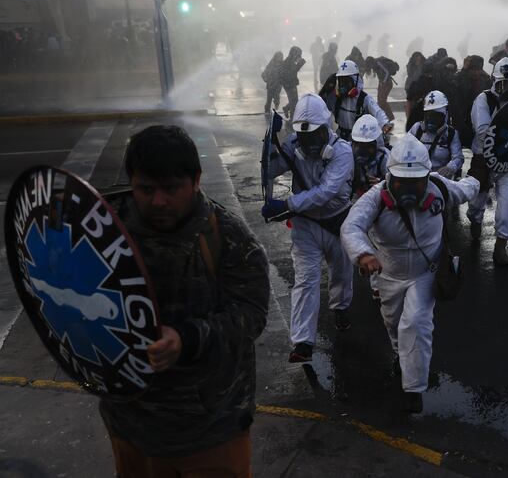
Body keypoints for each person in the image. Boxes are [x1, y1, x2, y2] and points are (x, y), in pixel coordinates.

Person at [101, 125, 269, 476]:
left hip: (210, 433)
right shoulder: (104, 228)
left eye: (171, 188)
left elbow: (251, 314)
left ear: (196, 180)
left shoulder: (229, 238)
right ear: (131, 180)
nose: (158, 201)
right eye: (146, 189)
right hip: (131, 426)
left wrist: (188, 339)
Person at [341, 134, 479, 413]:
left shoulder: (440, 188)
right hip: (389, 275)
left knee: (415, 323)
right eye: (401, 179)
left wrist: (479, 176)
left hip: (425, 273)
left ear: (426, 176)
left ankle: (414, 388)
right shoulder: (375, 198)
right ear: (390, 176)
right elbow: (351, 227)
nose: (407, 186)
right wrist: (363, 253)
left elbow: (465, 189)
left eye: (415, 179)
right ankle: (400, 355)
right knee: (393, 323)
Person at [262, 94, 354, 363]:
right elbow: (271, 169)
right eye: (305, 137)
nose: (310, 143)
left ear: (326, 128)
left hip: (338, 220)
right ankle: (302, 342)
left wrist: (287, 204)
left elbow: (326, 192)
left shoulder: (343, 151)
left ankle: (341, 308)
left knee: (341, 272)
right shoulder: (293, 144)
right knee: (305, 281)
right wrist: (271, 144)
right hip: (306, 225)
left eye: (315, 136)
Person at [466, 57, 508, 265]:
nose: (507, 88)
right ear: (495, 81)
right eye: (503, 83)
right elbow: (482, 131)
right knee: (477, 201)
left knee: (507, 204)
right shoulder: (483, 100)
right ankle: (475, 219)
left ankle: (500, 247)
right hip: (484, 159)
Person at [349, 114, 390, 304]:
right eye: (360, 145)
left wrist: (383, 181)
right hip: (357, 200)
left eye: (368, 146)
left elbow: (397, 181)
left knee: (379, 241)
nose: (363, 150)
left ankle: (376, 286)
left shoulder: (386, 158)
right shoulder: (348, 157)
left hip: (380, 202)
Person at [323, 59, 390, 143]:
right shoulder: (336, 98)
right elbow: (323, 110)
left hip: (359, 140)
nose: (343, 85)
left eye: (346, 81)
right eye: (341, 81)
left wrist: (385, 124)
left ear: (355, 81)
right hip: (341, 138)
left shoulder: (364, 98)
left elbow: (377, 111)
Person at [407, 90, 464, 180]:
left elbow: (458, 157)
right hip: (418, 177)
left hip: (441, 179)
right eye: (428, 115)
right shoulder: (417, 129)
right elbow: (404, 149)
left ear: (444, 115)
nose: (431, 119)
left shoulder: (451, 134)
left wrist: (450, 167)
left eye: (436, 116)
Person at [452, 54, 492, 149]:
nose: (475, 73)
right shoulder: (461, 78)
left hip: (479, 120)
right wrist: (464, 70)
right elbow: (456, 86)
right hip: (463, 121)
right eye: (472, 70)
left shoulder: (486, 81)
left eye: (478, 70)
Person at [364, 55, 400, 122]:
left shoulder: (378, 63)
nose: (370, 67)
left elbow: (386, 72)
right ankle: (385, 117)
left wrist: (383, 82)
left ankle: (390, 117)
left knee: (382, 101)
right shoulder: (375, 64)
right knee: (380, 101)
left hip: (386, 84)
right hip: (382, 83)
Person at [279, 46, 306, 120]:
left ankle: (286, 108)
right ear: (295, 54)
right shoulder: (289, 61)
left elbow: (293, 71)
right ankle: (292, 118)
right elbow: (293, 71)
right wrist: (300, 64)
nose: (299, 56)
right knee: (293, 102)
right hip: (289, 83)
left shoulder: (290, 60)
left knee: (294, 101)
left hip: (289, 82)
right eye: (299, 54)